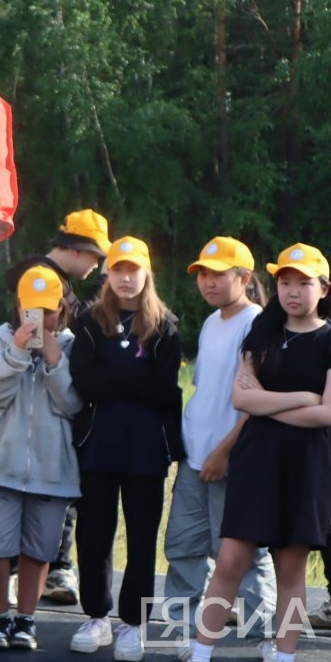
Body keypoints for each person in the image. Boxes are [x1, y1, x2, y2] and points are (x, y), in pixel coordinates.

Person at [186, 243, 331, 662]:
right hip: (257, 459)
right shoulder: (262, 333)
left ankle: (283, 654)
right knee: (230, 559)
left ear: (323, 288)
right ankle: (200, 652)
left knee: (290, 569)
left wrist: (270, 402)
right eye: (285, 282)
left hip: (306, 464)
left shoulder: (328, 340)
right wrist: (303, 397)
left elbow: (326, 415)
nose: (293, 291)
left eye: (303, 283)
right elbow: (241, 399)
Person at [67, 236, 182, 662]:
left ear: (146, 272)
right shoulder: (89, 321)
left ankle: (134, 624)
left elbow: (164, 388)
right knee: (93, 534)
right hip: (97, 446)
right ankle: (96, 615)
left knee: (141, 538)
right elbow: (85, 381)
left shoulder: (164, 325)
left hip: (146, 450)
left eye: (134, 270)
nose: (127, 278)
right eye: (119, 269)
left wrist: (119, 382)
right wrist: (136, 381)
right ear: (107, 274)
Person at [165, 237, 276, 661]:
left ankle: (267, 634)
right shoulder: (212, 322)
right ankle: (183, 632)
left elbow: (257, 402)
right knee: (184, 547)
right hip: (196, 458)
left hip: (236, 460)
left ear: (244, 278)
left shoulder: (259, 324)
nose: (209, 283)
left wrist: (225, 451)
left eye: (219, 274)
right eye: (204, 275)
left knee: (245, 554)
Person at [4, 207, 112, 605]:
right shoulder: (44, 278)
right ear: (81, 250)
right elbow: (41, 338)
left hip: (38, 399)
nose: (98, 264)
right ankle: (45, 571)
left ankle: (42, 569)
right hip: (38, 400)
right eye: (96, 256)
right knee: (46, 494)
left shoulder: (45, 275)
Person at [0, 265, 82, 652]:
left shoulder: (71, 345)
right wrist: (16, 352)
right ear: (18, 305)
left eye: (48, 310)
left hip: (53, 471)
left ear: (63, 308)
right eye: (31, 309)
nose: (39, 318)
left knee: (40, 550)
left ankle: (26, 620)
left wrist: (54, 360)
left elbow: (74, 405)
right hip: (0, 466)